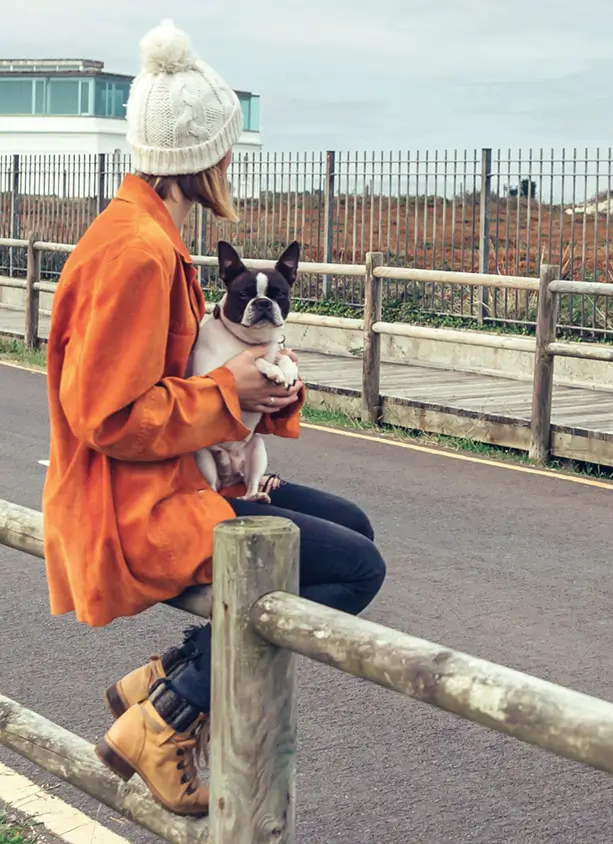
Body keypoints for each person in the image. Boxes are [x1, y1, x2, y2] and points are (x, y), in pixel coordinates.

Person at [41, 20, 387, 817]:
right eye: (228, 151)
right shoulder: (137, 252)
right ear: (200, 157)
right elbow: (107, 415)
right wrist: (232, 390)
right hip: (134, 508)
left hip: (172, 479)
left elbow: (179, 381)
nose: (233, 166)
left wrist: (259, 389)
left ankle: (168, 677)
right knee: (356, 569)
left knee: (353, 526)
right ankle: (166, 717)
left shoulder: (146, 233)